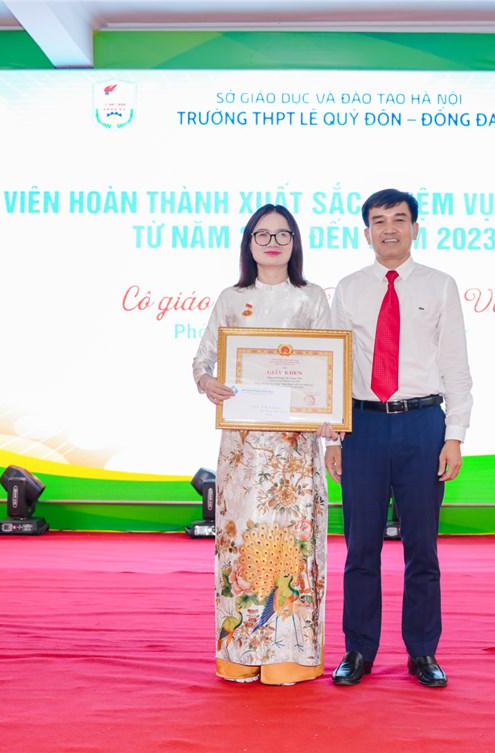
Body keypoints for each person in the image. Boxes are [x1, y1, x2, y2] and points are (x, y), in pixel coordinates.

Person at [325, 188, 473, 688]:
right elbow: (336, 367)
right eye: (378, 220)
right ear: (365, 231)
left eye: (399, 219)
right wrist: (333, 437)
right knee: (360, 547)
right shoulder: (348, 289)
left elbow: (456, 365)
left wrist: (454, 435)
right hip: (362, 425)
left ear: (415, 227)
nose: (389, 229)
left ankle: (422, 652)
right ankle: (358, 650)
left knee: (422, 548)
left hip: (422, 423)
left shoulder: (440, 285)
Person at [192, 203, 333, 686]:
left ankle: (291, 656)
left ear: (295, 243)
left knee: (294, 542)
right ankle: (240, 653)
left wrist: (329, 417)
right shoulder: (232, 299)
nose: (273, 243)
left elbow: (328, 367)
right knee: (243, 543)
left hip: (296, 446)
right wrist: (207, 383)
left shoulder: (311, 298)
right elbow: (202, 360)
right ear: (248, 243)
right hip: (243, 447)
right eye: (262, 234)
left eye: (283, 234)